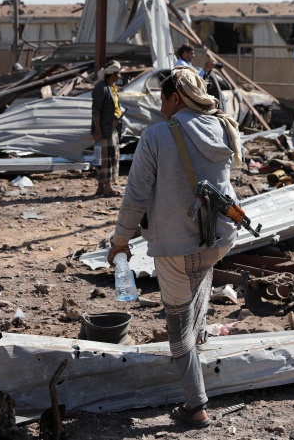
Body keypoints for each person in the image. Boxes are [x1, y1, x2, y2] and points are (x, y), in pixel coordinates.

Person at [107, 65, 243, 428]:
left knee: (176, 323)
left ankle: (196, 406)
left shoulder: (155, 136)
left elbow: (135, 196)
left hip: (174, 244)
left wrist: (120, 241)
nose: (160, 105)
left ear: (176, 97)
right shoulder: (222, 127)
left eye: (164, 98)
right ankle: (196, 347)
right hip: (218, 239)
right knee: (199, 278)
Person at [91, 61, 123, 197]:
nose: (120, 75)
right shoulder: (101, 88)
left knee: (110, 157)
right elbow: (96, 112)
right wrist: (98, 130)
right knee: (105, 159)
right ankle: (107, 188)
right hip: (104, 130)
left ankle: (102, 187)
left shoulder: (112, 87)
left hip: (112, 128)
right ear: (113, 74)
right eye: (118, 73)